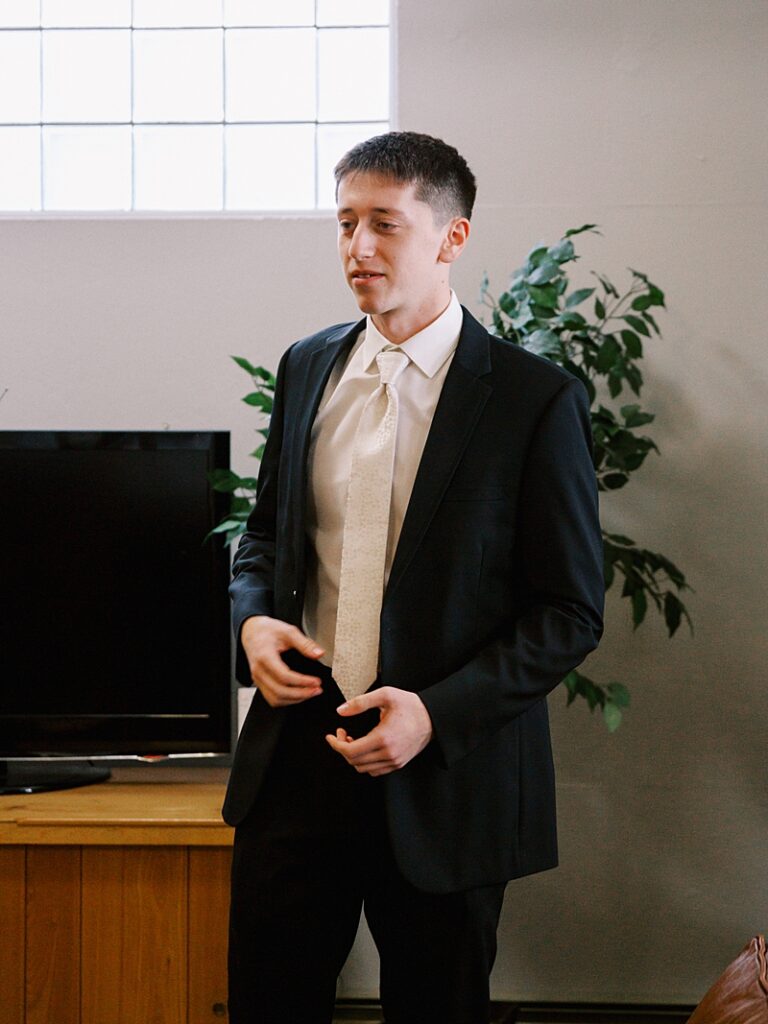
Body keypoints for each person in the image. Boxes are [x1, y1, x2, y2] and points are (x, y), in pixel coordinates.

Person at [223, 131, 604, 1024]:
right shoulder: (306, 366)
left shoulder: (533, 400)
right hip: (297, 758)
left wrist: (434, 713)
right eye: (346, 222)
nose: (358, 248)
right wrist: (252, 623)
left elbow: (568, 612)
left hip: (448, 773)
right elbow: (263, 540)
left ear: (452, 238)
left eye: (385, 224)